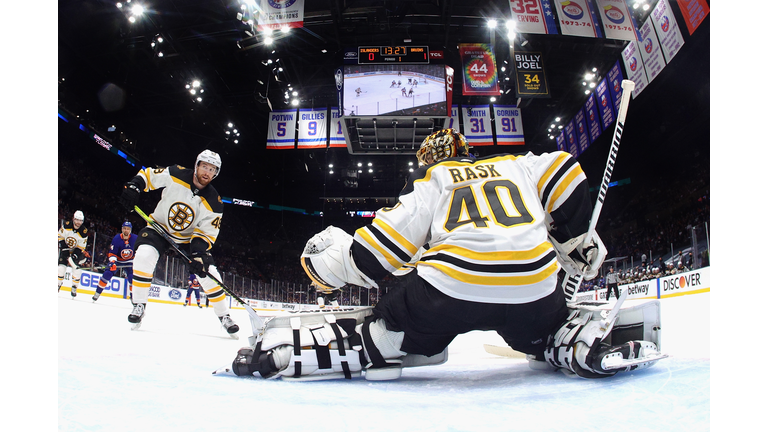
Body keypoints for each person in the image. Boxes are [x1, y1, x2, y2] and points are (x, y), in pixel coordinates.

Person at [224, 129, 665, 381]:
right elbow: (565, 170)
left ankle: (289, 350)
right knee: (539, 332)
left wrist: (333, 259)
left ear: (437, 159)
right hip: (532, 287)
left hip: (447, 291)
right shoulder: (519, 165)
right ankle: (572, 342)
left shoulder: (435, 181)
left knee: (387, 331)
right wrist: (573, 240)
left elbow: (375, 257)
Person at [117, 149, 239, 335]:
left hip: (188, 240)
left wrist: (198, 254)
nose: (207, 172)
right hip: (159, 227)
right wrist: (134, 186)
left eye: (212, 169)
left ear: (216, 173)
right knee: (143, 255)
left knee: (208, 272)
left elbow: (206, 232)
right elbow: (149, 175)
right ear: (197, 165)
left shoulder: (215, 202)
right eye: (204, 166)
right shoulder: (176, 173)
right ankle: (139, 305)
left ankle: (224, 316)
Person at [93, 221, 137, 302]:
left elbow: (140, 249)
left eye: (128, 229)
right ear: (122, 229)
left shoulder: (135, 238)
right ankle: (97, 293)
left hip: (130, 261)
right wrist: (113, 262)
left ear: (130, 230)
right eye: (124, 228)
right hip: (118, 260)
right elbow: (112, 253)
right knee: (107, 273)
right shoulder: (117, 238)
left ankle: (133, 298)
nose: (126, 230)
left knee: (132, 278)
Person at [58, 210, 89, 298]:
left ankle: (74, 287)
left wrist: (75, 255)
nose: (78, 222)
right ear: (73, 219)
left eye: (80, 221)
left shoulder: (84, 232)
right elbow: (60, 236)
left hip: (76, 250)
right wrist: (64, 247)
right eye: (77, 220)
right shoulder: (66, 225)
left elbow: (81, 247)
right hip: (65, 248)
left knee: (76, 269)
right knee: (61, 267)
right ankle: (58, 284)